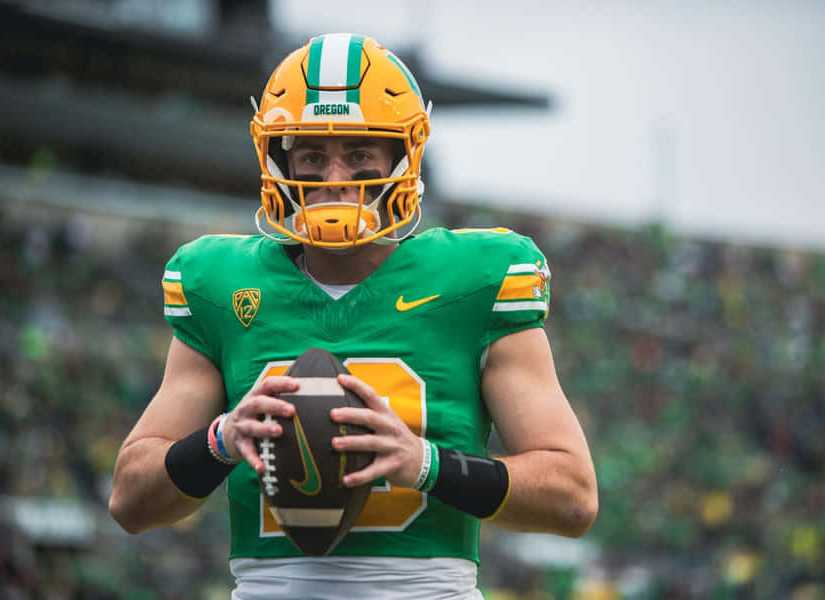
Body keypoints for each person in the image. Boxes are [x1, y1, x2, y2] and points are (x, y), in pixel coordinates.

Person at [108, 33, 598, 599]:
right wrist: (219, 440)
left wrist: (426, 464)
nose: (335, 178)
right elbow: (129, 500)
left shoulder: (475, 281)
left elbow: (573, 496)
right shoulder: (221, 286)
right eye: (313, 156)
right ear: (278, 159)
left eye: (360, 154)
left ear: (403, 158)